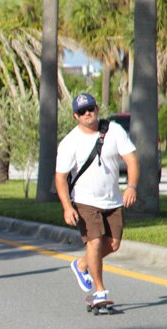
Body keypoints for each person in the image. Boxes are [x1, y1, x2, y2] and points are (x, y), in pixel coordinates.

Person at [55, 93, 138, 305]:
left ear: (96, 108)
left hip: (112, 200)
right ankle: (100, 290)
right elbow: (61, 178)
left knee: (114, 244)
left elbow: (131, 159)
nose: (87, 114)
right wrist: (67, 207)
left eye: (90, 108)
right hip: (84, 200)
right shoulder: (69, 142)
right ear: (75, 116)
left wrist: (131, 186)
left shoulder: (114, 130)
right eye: (82, 111)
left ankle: (82, 264)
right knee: (95, 242)